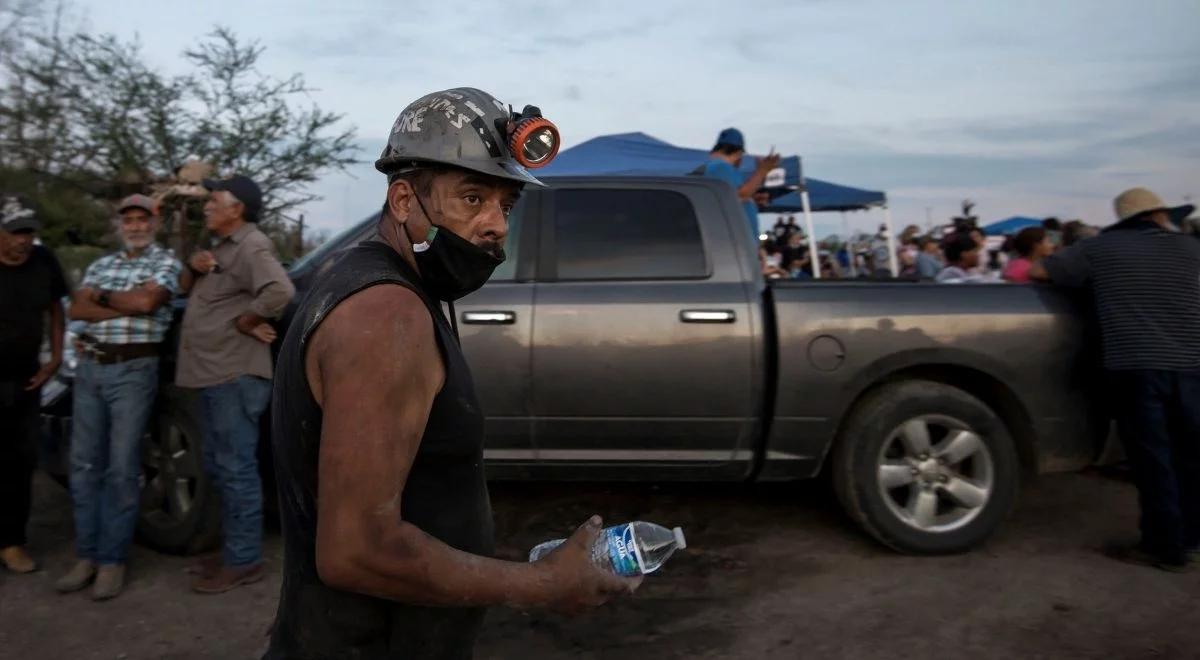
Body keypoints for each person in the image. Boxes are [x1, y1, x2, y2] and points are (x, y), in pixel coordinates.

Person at [265, 88, 640, 659]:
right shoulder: (385, 313)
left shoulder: (400, 290)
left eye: (505, 204)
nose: (494, 225)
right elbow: (356, 551)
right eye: (471, 197)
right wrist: (544, 584)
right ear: (402, 200)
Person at [1031, 187, 1200, 572]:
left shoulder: (1098, 249)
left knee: (1153, 458)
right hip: (1192, 365)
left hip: (1135, 367)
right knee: (1191, 455)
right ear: (1158, 216)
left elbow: (1041, 271)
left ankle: (1164, 547)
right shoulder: (1191, 248)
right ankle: (1193, 540)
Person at [52, 195, 181, 599]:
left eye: (143, 219)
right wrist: (123, 307)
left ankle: (112, 560)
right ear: (120, 225)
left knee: (123, 467)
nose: (136, 226)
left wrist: (102, 300)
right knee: (85, 465)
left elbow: (148, 302)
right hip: (90, 367)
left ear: (153, 224)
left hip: (133, 371)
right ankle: (86, 554)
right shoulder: (101, 264)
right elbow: (75, 311)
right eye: (129, 219)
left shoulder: (166, 263)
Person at [177, 175, 295, 593]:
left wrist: (248, 321)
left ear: (236, 209)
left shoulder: (251, 245)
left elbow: (280, 291)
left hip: (234, 376)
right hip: (216, 374)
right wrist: (193, 268)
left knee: (235, 469)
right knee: (222, 467)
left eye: (214, 200)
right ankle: (234, 550)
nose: (207, 205)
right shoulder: (223, 248)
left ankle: (244, 560)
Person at [0, 195, 67, 575]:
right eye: (14, 232)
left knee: (20, 462)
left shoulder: (44, 261)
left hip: (26, 380)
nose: (23, 239)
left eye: (27, 231)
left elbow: (56, 308)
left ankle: (11, 542)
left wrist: (55, 357)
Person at [701, 127, 781, 245]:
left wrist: (752, 200)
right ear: (739, 154)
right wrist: (762, 171)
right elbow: (738, 196)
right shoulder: (721, 167)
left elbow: (729, 199)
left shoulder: (715, 168)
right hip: (737, 247)